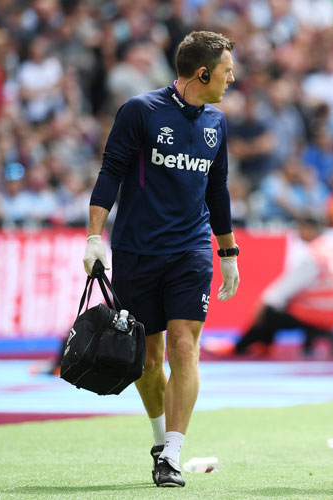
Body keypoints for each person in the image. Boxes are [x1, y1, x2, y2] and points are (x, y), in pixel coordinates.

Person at [82, 31, 240, 488]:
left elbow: (218, 189)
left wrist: (227, 252)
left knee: (184, 347)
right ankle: (159, 439)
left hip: (190, 252)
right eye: (227, 71)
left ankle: (172, 451)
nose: (232, 79)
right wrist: (95, 238)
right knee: (149, 359)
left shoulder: (217, 123)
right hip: (135, 251)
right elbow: (110, 172)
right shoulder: (140, 111)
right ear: (203, 73)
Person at [208, 212, 333, 358]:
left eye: (299, 227)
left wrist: (263, 304)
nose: (297, 231)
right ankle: (263, 345)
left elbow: (284, 290)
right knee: (276, 308)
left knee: (269, 311)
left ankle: (238, 347)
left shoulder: (312, 257)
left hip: (317, 313)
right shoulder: (331, 252)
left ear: (309, 228)